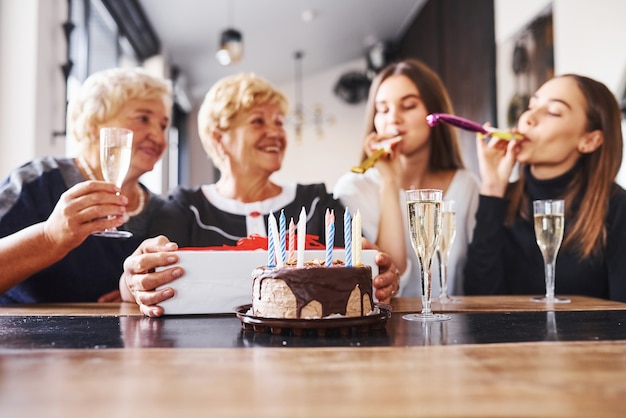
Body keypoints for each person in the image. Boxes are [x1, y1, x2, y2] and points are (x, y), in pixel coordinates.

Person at [119, 73, 400, 317]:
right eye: (257, 122)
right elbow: (142, 277)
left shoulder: (316, 203)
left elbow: (363, 267)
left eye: (279, 122)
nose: (275, 133)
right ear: (219, 138)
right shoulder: (185, 208)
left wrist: (382, 273)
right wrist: (132, 280)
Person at [0, 67, 172, 303]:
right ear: (94, 125)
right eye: (143, 118)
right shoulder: (39, 180)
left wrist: (133, 295)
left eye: (163, 126)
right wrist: (49, 237)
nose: (158, 136)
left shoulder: (163, 210)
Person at [464, 74, 626, 303]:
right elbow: (478, 301)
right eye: (532, 106)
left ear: (590, 141)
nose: (528, 117)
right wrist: (492, 188)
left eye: (553, 112)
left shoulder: (617, 207)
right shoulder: (501, 199)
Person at [333, 59, 480, 297]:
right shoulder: (354, 189)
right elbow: (392, 278)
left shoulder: (465, 186)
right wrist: (390, 183)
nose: (393, 118)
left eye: (409, 106)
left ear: (434, 113)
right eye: (383, 109)